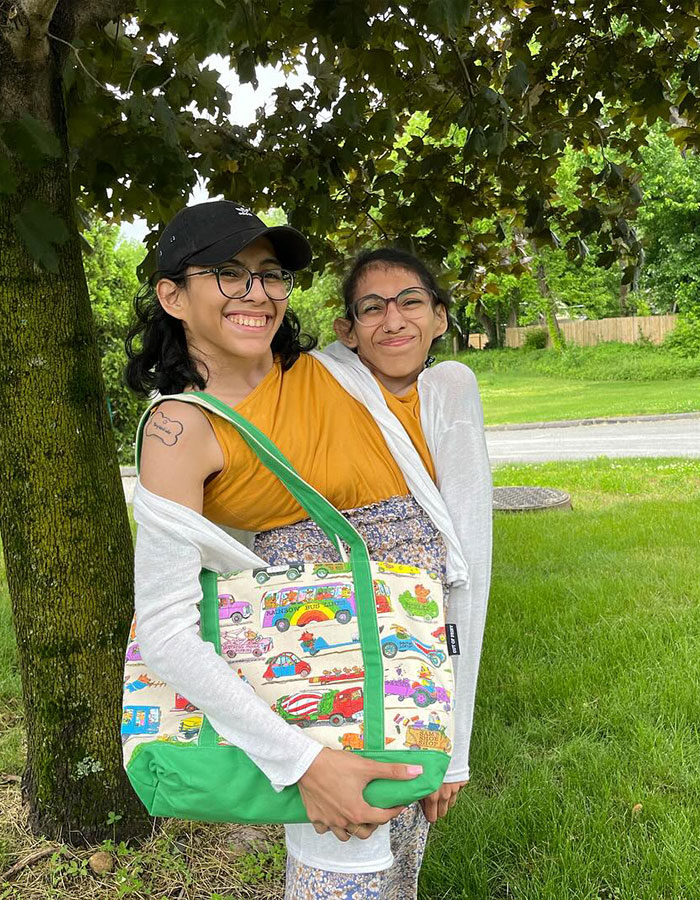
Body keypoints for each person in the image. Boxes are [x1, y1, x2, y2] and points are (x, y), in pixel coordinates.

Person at [125, 202, 466, 898]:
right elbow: (164, 631)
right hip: (320, 675)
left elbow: (466, 544)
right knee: (344, 877)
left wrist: (452, 736)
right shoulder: (180, 428)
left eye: (269, 273)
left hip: (410, 660)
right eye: (228, 273)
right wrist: (304, 763)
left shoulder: (337, 373)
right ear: (172, 296)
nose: (257, 293)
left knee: (400, 871)